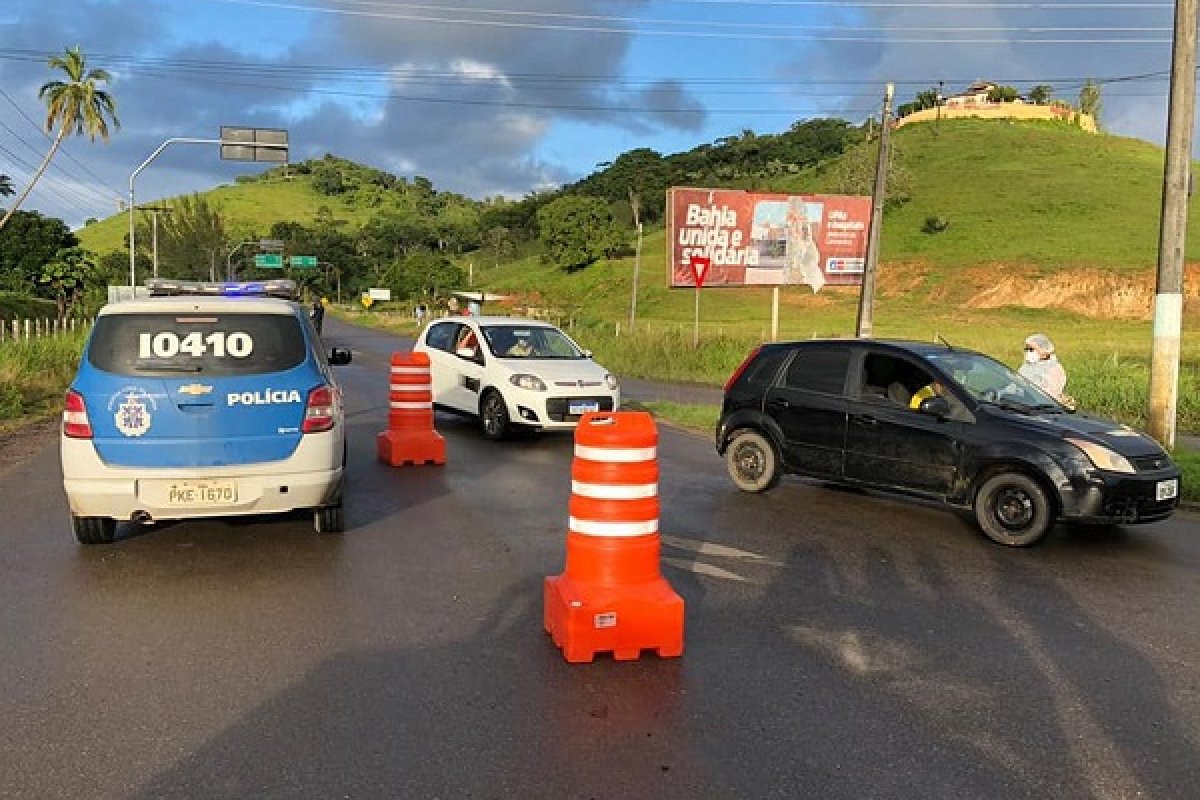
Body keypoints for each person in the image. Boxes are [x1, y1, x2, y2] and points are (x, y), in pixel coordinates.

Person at [1018, 332, 1069, 404]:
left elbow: (1048, 395)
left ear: (1044, 351)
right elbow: (1016, 383)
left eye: (1031, 349)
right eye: (1026, 349)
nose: (1028, 352)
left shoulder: (1054, 369)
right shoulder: (1026, 365)